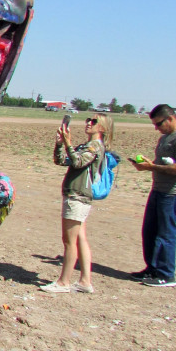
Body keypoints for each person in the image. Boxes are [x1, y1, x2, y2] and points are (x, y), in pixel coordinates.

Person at [40, 114, 113, 294]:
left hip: (78, 197)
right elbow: (61, 160)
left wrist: (68, 143)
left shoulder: (95, 147)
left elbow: (78, 162)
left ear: (102, 128)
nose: (89, 123)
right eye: (89, 119)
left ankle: (63, 282)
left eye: (94, 122)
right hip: (78, 196)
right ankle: (85, 282)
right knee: (80, 239)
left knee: (69, 241)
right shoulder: (86, 146)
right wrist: (60, 144)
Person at [129, 104, 176, 287]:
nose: (156, 128)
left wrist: (151, 167)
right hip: (158, 190)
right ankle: (152, 269)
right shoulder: (166, 137)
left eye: (158, 124)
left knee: (165, 235)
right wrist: (148, 165)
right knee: (150, 232)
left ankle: (166, 274)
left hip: (173, 194)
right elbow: (163, 163)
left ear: (171, 118)